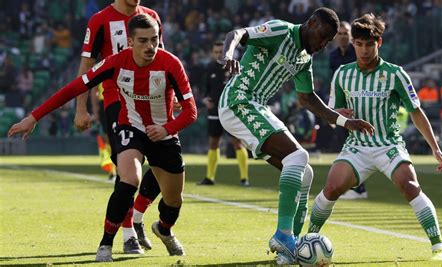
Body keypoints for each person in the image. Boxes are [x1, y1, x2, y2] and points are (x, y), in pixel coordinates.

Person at [8, 14, 197, 262]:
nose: (150, 46)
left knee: (173, 201)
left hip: (163, 133)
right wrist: (34, 117)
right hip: (131, 127)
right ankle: (105, 244)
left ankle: (164, 229)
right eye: (142, 41)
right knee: (129, 179)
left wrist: (167, 128)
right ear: (130, 41)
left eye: (154, 39)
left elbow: (191, 111)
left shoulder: (171, 64)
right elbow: (75, 87)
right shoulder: (115, 62)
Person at [219, 7, 375, 264]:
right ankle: (283, 235)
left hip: (256, 106)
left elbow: (308, 99)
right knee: (298, 156)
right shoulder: (281, 30)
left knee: (305, 172)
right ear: (311, 23)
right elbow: (236, 33)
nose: (323, 44)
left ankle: (291, 250)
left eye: (328, 41)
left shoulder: (304, 58)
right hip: (239, 101)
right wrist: (228, 55)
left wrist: (345, 121)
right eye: (322, 36)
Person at [308, 13, 442, 261]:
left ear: (379, 43)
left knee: (410, 186)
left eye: (369, 45)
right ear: (353, 43)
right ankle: (307, 240)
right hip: (356, 147)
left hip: (388, 145)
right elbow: (331, 115)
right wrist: (336, 115)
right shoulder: (342, 74)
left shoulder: (396, 74)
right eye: (359, 44)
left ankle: (439, 247)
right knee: (331, 188)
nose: (364, 50)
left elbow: (417, 113)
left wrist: (435, 148)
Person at [74, 0, 164, 253]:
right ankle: (127, 235)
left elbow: (163, 59)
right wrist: (81, 108)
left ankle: (136, 218)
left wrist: (174, 96)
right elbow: (86, 67)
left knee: (164, 166)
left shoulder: (151, 16)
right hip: (117, 101)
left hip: (153, 100)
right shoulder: (100, 20)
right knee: (128, 172)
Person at [197, 41, 249, 186]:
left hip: (231, 111)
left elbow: (243, 88)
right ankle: (209, 177)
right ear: (212, 53)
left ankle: (244, 178)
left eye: (221, 51)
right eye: (216, 52)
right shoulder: (210, 68)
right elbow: (205, 90)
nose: (219, 54)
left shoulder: (234, 67)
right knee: (213, 143)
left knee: (237, 143)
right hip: (214, 112)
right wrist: (206, 100)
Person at [328, 21, 368, 200]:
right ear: (335, 37)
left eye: (346, 33)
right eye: (340, 33)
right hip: (342, 107)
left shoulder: (357, 54)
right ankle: (357, 187)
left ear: (352, 37)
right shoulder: (333, 56)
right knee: (350, 145)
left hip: (359, 103)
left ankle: (358, 188)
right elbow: (334, 84)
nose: (343, 36)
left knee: (356, 146)